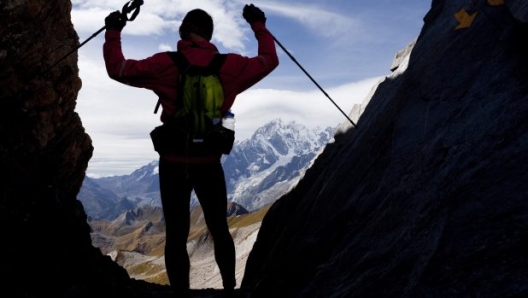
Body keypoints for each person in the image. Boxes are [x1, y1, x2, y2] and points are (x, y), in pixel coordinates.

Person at [102, 4, 278, 297]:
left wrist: (113, 32)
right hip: (209, 161)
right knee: (219, 228)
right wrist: (258, 25)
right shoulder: (230, 67)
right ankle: (230, 289)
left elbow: (117, 68)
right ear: (209, 36)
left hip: (173, 161)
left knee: (176, 234)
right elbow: (269, 60)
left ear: (183, 32)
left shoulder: (165, 64)